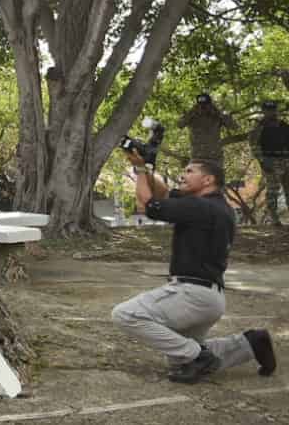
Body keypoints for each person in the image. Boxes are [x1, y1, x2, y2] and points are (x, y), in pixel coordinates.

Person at [111, 150, 275, 381]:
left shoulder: (200, 207)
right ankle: (250, 343)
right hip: (210, 298)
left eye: (190, 171)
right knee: (179, 357)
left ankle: (200, 356)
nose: (182, 174)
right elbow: (165, 193)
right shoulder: (217, 207)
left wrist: (138, 171)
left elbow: (149, 205)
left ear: (208, 180)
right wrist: (146, 167)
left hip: (191, 295)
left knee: (125, 314)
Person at [250, 101, 289, 225]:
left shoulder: (284, 125)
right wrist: (262, 162)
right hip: (269, 161)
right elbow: (254, 146)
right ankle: (274, 218)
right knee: (273, 190)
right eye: (268, 110)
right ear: (264, 111)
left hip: (285, 160)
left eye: (273, 109)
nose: (271, 112)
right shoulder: (259, 127)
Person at [178, 93, 237, 166]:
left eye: (205, 105)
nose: (203, 107)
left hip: (214, 157)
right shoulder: (192, 116)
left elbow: (234, 126)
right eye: (201, 105)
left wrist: (219, 113)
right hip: (197, 156)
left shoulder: (216, 115)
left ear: (210, 104)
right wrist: (192, 112)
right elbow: (180, 124)